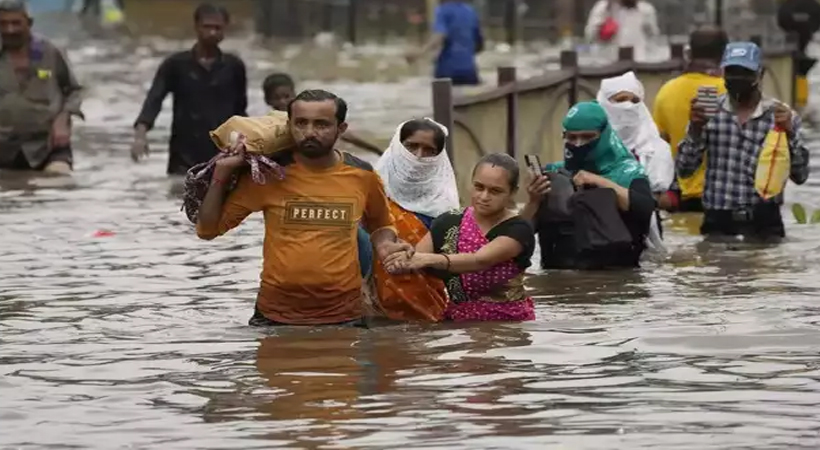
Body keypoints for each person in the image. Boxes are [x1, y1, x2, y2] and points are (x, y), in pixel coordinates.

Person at [196, 89, 413, 326]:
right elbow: (207, 230)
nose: (309, 132)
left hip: (344, 317)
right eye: (301, 123)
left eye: (321, 124)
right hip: (276, 316)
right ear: (289, 126)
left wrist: (384, 246)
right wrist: (222, 173)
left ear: (341, 129)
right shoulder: (269, 174)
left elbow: (380, 224)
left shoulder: (362, 174)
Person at [677, 41, 810, 241]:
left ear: (760, 74)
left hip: (764, 224)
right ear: (723, 74)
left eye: (745, 72)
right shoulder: (708, 114)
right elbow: (684, 170)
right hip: (718, 223)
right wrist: (695, 130)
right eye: (731, 72)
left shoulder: (781, 116)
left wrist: (790, 134)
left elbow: (800, 176)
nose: (737, 78)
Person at [385, 153, 536, 322]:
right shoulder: (448, 222)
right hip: (457, 323)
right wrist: (399, 258)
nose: (484, 197)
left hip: (508, 324)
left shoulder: (518, 229)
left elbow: (480, 260)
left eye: (495, 191)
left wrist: (426, 259)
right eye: (479, 187)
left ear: (512, 192)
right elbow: (416, 260)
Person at [521, 101, 656, 269]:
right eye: (572, 137)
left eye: (587, 137)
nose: (578, 144)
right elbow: (518, 236)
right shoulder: (554, 175)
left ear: (604, 134)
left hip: (614, 281)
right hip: (558, 283)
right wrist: (533, 201)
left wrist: (599, 182)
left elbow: (645, 208)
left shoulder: (629, 173)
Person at [131, 3, 247, 175]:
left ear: (225, 29)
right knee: (179, 195)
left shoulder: (234, 66)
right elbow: (154, 100)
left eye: (218, 28)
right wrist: (140, 135)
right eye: (207, 27)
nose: (212, 32)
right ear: (196, 27)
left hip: (223, 153)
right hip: (183, 154)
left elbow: (241, 111)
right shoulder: (175, 65)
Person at [371, 118, 459, 322]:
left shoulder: (445, 209)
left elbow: (456, 270)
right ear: (397, 147)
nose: (419, 156)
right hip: (369, 314)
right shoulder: (370, 196)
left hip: (427, 316)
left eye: (429, 151)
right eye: (411, 147)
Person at [0, 0, 83, 174]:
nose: (10, 30)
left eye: (16, 23)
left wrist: (63, 119)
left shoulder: (49, 52)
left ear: (29, 23)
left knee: (58, 180)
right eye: (3, 24)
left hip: (46, 147)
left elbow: (74, 91)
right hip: (4, 148)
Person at [653, 25, 728, 212]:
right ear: (725, 54)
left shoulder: (666, 91)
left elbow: (658, 144)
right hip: (722, 197)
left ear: (689, 53)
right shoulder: (731, 91)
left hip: (678, 197)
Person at [597, 71, 673, 251]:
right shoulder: (591, 143)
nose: (628, 106)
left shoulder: (655, 148)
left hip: (645, 231)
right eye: (621, 99)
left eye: (634, 101)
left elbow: (666, 198)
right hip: (601, 229)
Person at [261, 72, 381, 155]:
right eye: (276, 98)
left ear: (294, 94)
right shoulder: (267, 125)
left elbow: (347, 136)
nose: (283, 101)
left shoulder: (312, 116)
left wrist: (378, 151)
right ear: (267, 100)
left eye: (286, 96)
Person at [405, 0, 484, 86]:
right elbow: (479, 45)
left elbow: (440, 35)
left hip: (447, 70)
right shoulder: (471, 11)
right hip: (469, 72)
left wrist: (420, 53)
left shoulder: (443, 10)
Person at [584, 0, 659, 62]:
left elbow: (653, 36)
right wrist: (601, 28)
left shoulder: (645, 9)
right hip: (609, 61)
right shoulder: (602, 8)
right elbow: (589, 35)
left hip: (638, 61)